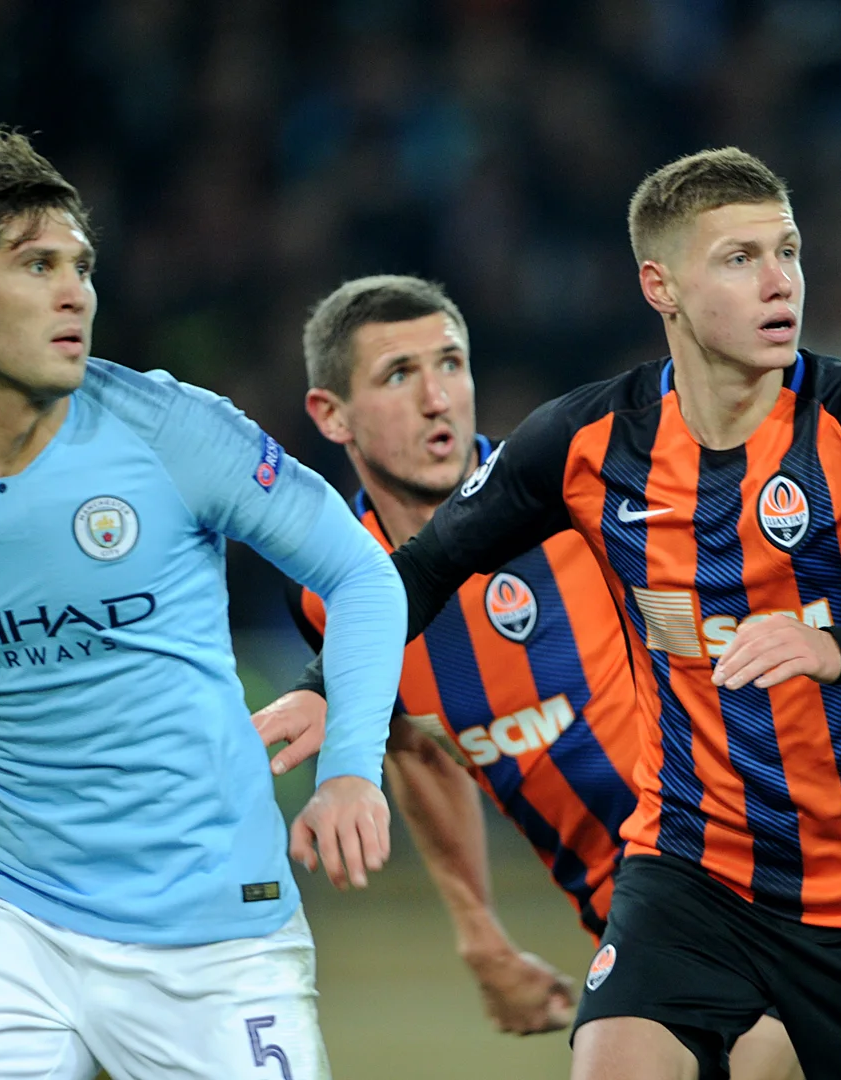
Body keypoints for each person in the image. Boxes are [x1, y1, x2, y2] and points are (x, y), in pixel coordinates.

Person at [274, 147, 841, 1079]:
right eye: (740, 259)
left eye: (788, 252)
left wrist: (834, 649)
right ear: (662, 287)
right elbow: (425, 568)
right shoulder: (587, 442)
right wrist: (326, 684)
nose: (779, 283)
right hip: (690, 874)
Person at [0, 131, 406, 1080]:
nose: (76, 294)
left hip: (218, 943)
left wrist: (351, 768)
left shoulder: (171, 431)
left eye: (82, 266)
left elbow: (364, 575)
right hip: (22, 929)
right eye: (37, 266)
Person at [251, 274, 801, 1077]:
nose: (437, 399)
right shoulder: (331, 597)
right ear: (332, 415)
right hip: (631, 923)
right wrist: (478, 930)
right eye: (399, 375)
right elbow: (416, 747)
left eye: (451, 363)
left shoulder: (579, 492)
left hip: (765, 876)